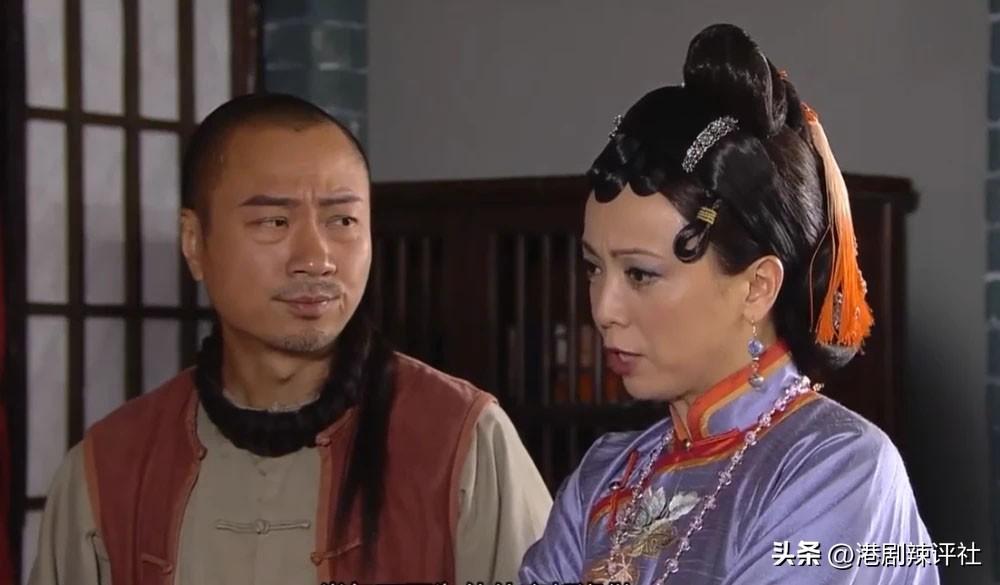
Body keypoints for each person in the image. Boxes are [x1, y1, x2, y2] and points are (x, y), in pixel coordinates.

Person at [29, 93, 552, 585]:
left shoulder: (460, 441)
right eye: (274, 221)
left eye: (343, 220)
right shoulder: (112, 468)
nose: (316, 259)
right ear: (194, 242)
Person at [519, 24, 938, 584]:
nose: (603, 309)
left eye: (641, 274)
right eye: (595, 267)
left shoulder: (838, 466)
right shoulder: (603, 477)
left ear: (757, 286)